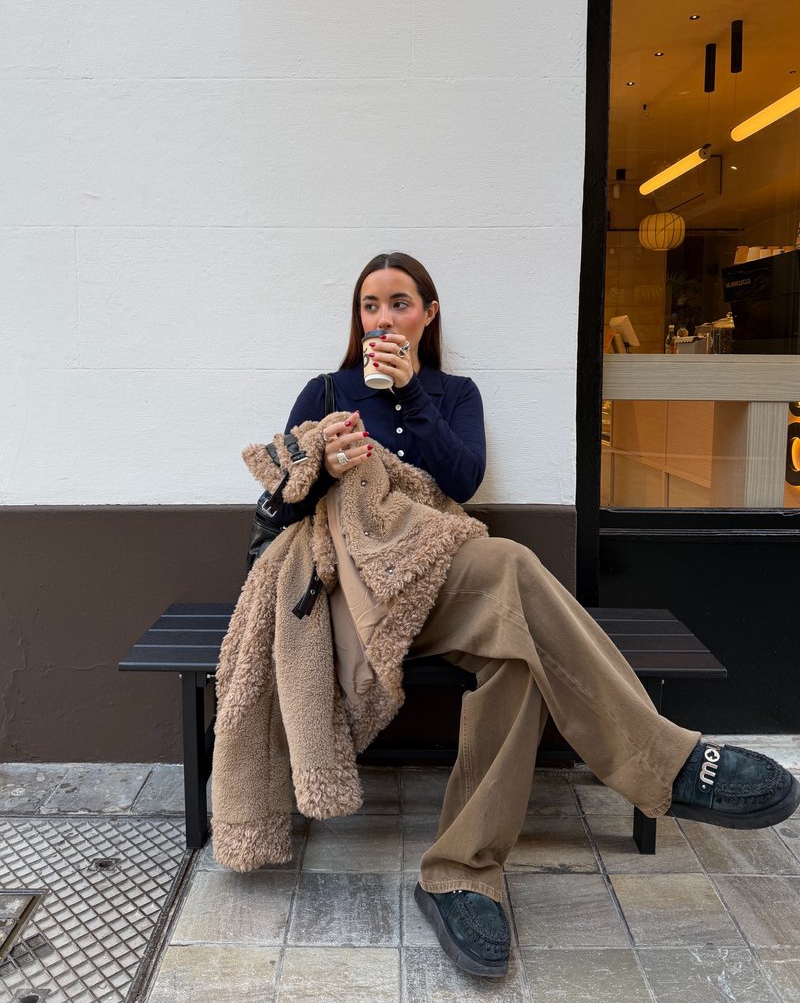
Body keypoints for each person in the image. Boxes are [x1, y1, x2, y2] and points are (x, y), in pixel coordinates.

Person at [263, 251, 800, 979]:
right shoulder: (324, 390)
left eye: (399, 303)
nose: (382, 318)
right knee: (512, 569)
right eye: (370, 305)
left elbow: (461, 478)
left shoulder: (454, 392)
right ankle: (668, 763)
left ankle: (460, 873)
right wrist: (324, 462)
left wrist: (415, 398)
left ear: (428, 314)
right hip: (352, 599)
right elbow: (278, 502)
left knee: (514, 652)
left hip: (438, 585)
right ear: (356, 319)